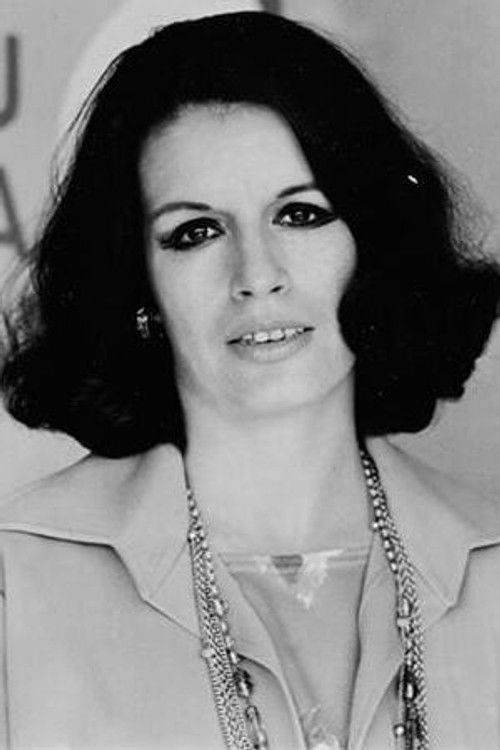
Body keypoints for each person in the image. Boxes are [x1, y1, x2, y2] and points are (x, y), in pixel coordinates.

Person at [0, 11, 499, 750]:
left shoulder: (493, 563)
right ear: (139, 287)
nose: (257, 275)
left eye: (300, 214)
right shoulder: (17, 583)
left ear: (375, 244)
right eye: (195, 232)